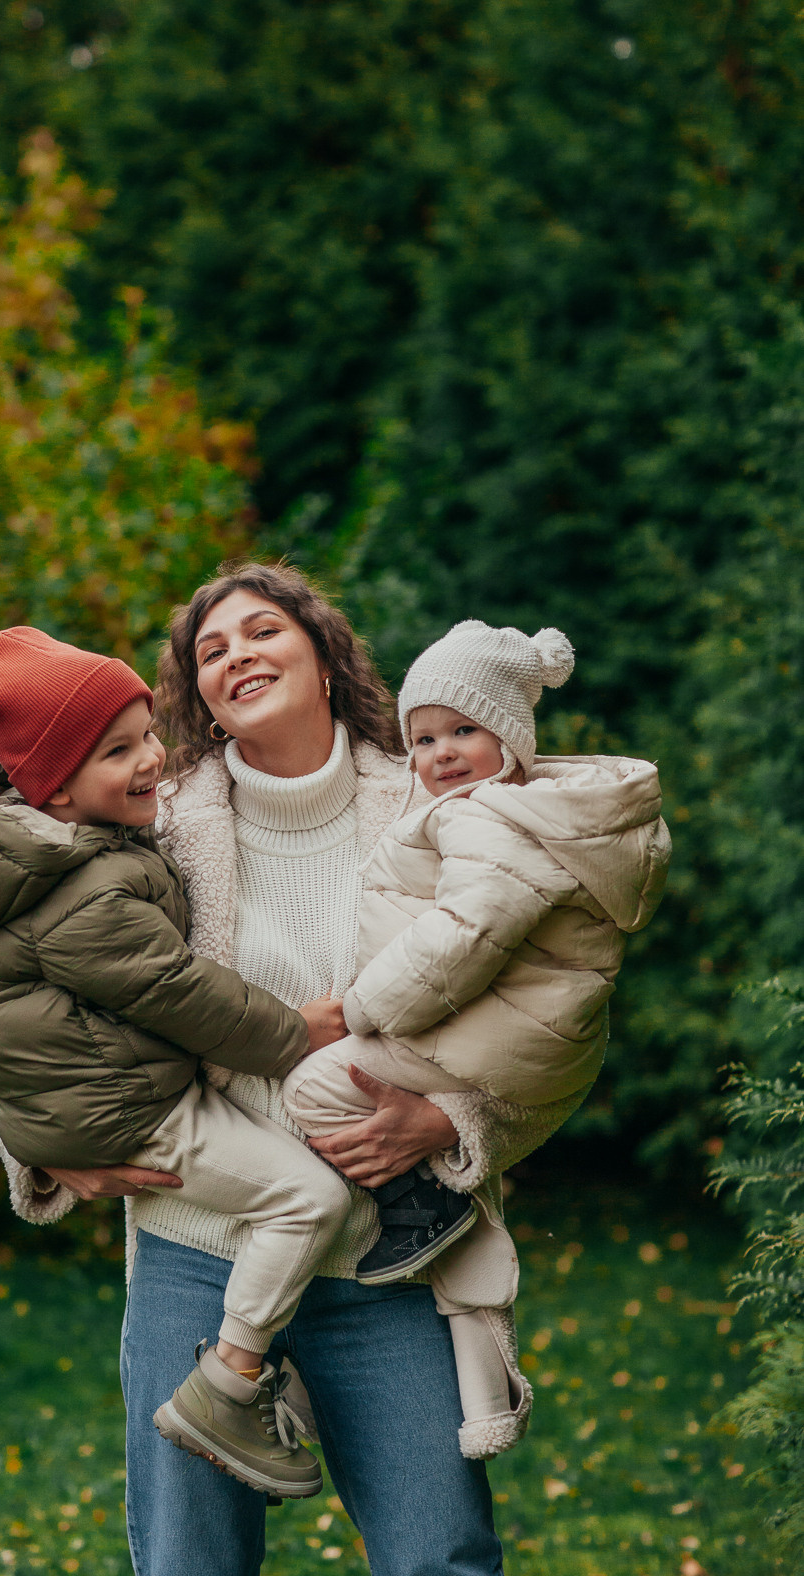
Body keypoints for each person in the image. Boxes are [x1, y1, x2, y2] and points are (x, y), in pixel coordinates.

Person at [0, 564, 596, 1576]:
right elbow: (27, 999)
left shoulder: (434, 798)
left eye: (262, 630)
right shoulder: (155, 818)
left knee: (439, 1554)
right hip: (197, 1247)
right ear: (199, 694)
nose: (236, 655)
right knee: (190, 1564)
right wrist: (37, 1143)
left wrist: (450, 1124)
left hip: (387, 1255)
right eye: (209, 650)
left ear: (322, 658)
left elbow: (555, 1014)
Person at [0, 625, 355, 1498]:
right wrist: (294, 1033)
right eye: (119, 751)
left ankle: (264, 1355)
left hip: (108, 1094)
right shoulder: (83, 891)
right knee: (310, 1200)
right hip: (123, 1113)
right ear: (59, 793)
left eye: (148, 732)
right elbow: (179, 992)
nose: (152, 758)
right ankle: (228, 1387)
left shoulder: (45, 853)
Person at [283, 618, 670, 1452]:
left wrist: (359, 1010)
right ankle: (485, 1401)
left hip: (488, 1038)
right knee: (449, 1204)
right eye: (423, 736)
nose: (441, 753)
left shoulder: (484, 818)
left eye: (465, 730)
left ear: (513, 739)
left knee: (315, 1086)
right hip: (517, 1041)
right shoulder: (528, 813)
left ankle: (416, 1208)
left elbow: (462, 939)